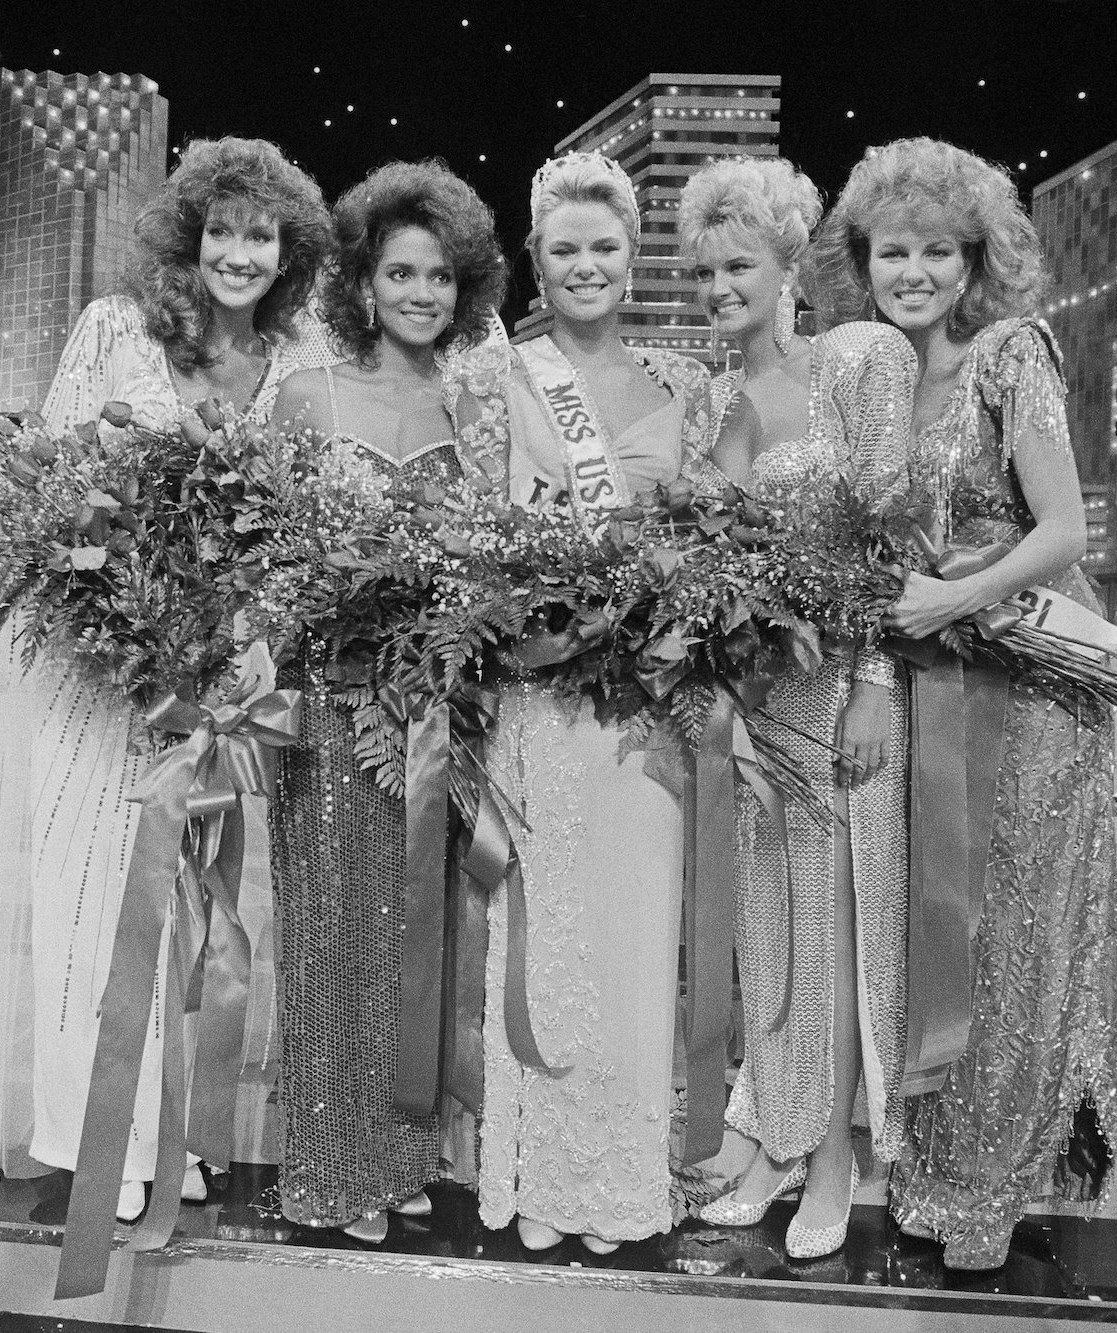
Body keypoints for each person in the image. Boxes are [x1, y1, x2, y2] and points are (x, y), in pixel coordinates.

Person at [0, 138, 334, 1223]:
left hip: (212, 679)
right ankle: (96, 1139)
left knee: (189, 917)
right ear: (187, 237)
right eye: (219, 230)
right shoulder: (114, 328)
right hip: (95, 667)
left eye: (259, 234)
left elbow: (297, 523)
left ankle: (163, 1129)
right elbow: (46, 486)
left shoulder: (301, 357)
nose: (237, 252)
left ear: (288, 251)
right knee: (88, 906)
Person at [811, 137, 1117, 1271]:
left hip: (1027, 689)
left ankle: (993, 1184)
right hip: (935, 685)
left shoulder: (1007, 353)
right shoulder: (876, 377)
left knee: (1012, 934)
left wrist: (953, 596)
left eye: (937, 251)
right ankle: (931, 1178)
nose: (914, 272)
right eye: (893, 251)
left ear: (974, 258)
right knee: (942, 923)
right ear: (861, 261)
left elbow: (1064, 531)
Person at [450, 150, 710, 1255]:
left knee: (629, 938)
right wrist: (518, 622)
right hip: (536, 697)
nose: (586, 265)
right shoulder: (491, 377)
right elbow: (466, 541)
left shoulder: (686, 384)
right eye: (564, 250)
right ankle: (540, 1178)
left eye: (605, 245)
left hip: (641, 702)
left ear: (633, 254)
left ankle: (614, 1180)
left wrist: (671, 629)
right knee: (540, 938)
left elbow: (706, 539)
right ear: (535, 260)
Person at [265, 159, 507, 1243]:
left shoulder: (474, 407)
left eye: (441, 277)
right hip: (326, 707)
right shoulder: (307, 395)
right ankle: (331, 1164)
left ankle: (404, 1152)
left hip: (434, 715)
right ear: (361, 282)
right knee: (334, 933)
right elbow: (264, 554)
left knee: (417, 937)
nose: (420, 293)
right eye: (400, 272)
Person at [676, 157, 912, 1262]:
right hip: (756, 704)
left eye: (739, 266)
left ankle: (830, 1160)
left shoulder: (858, 360)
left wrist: (869, 679)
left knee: (828, 937)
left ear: (787, 269)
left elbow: (885, 526)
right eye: (705, 269)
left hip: (841, 696)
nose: (719, 285)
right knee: (761, 935)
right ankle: (773, 1138)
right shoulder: (722, 405)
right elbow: (705, 564)